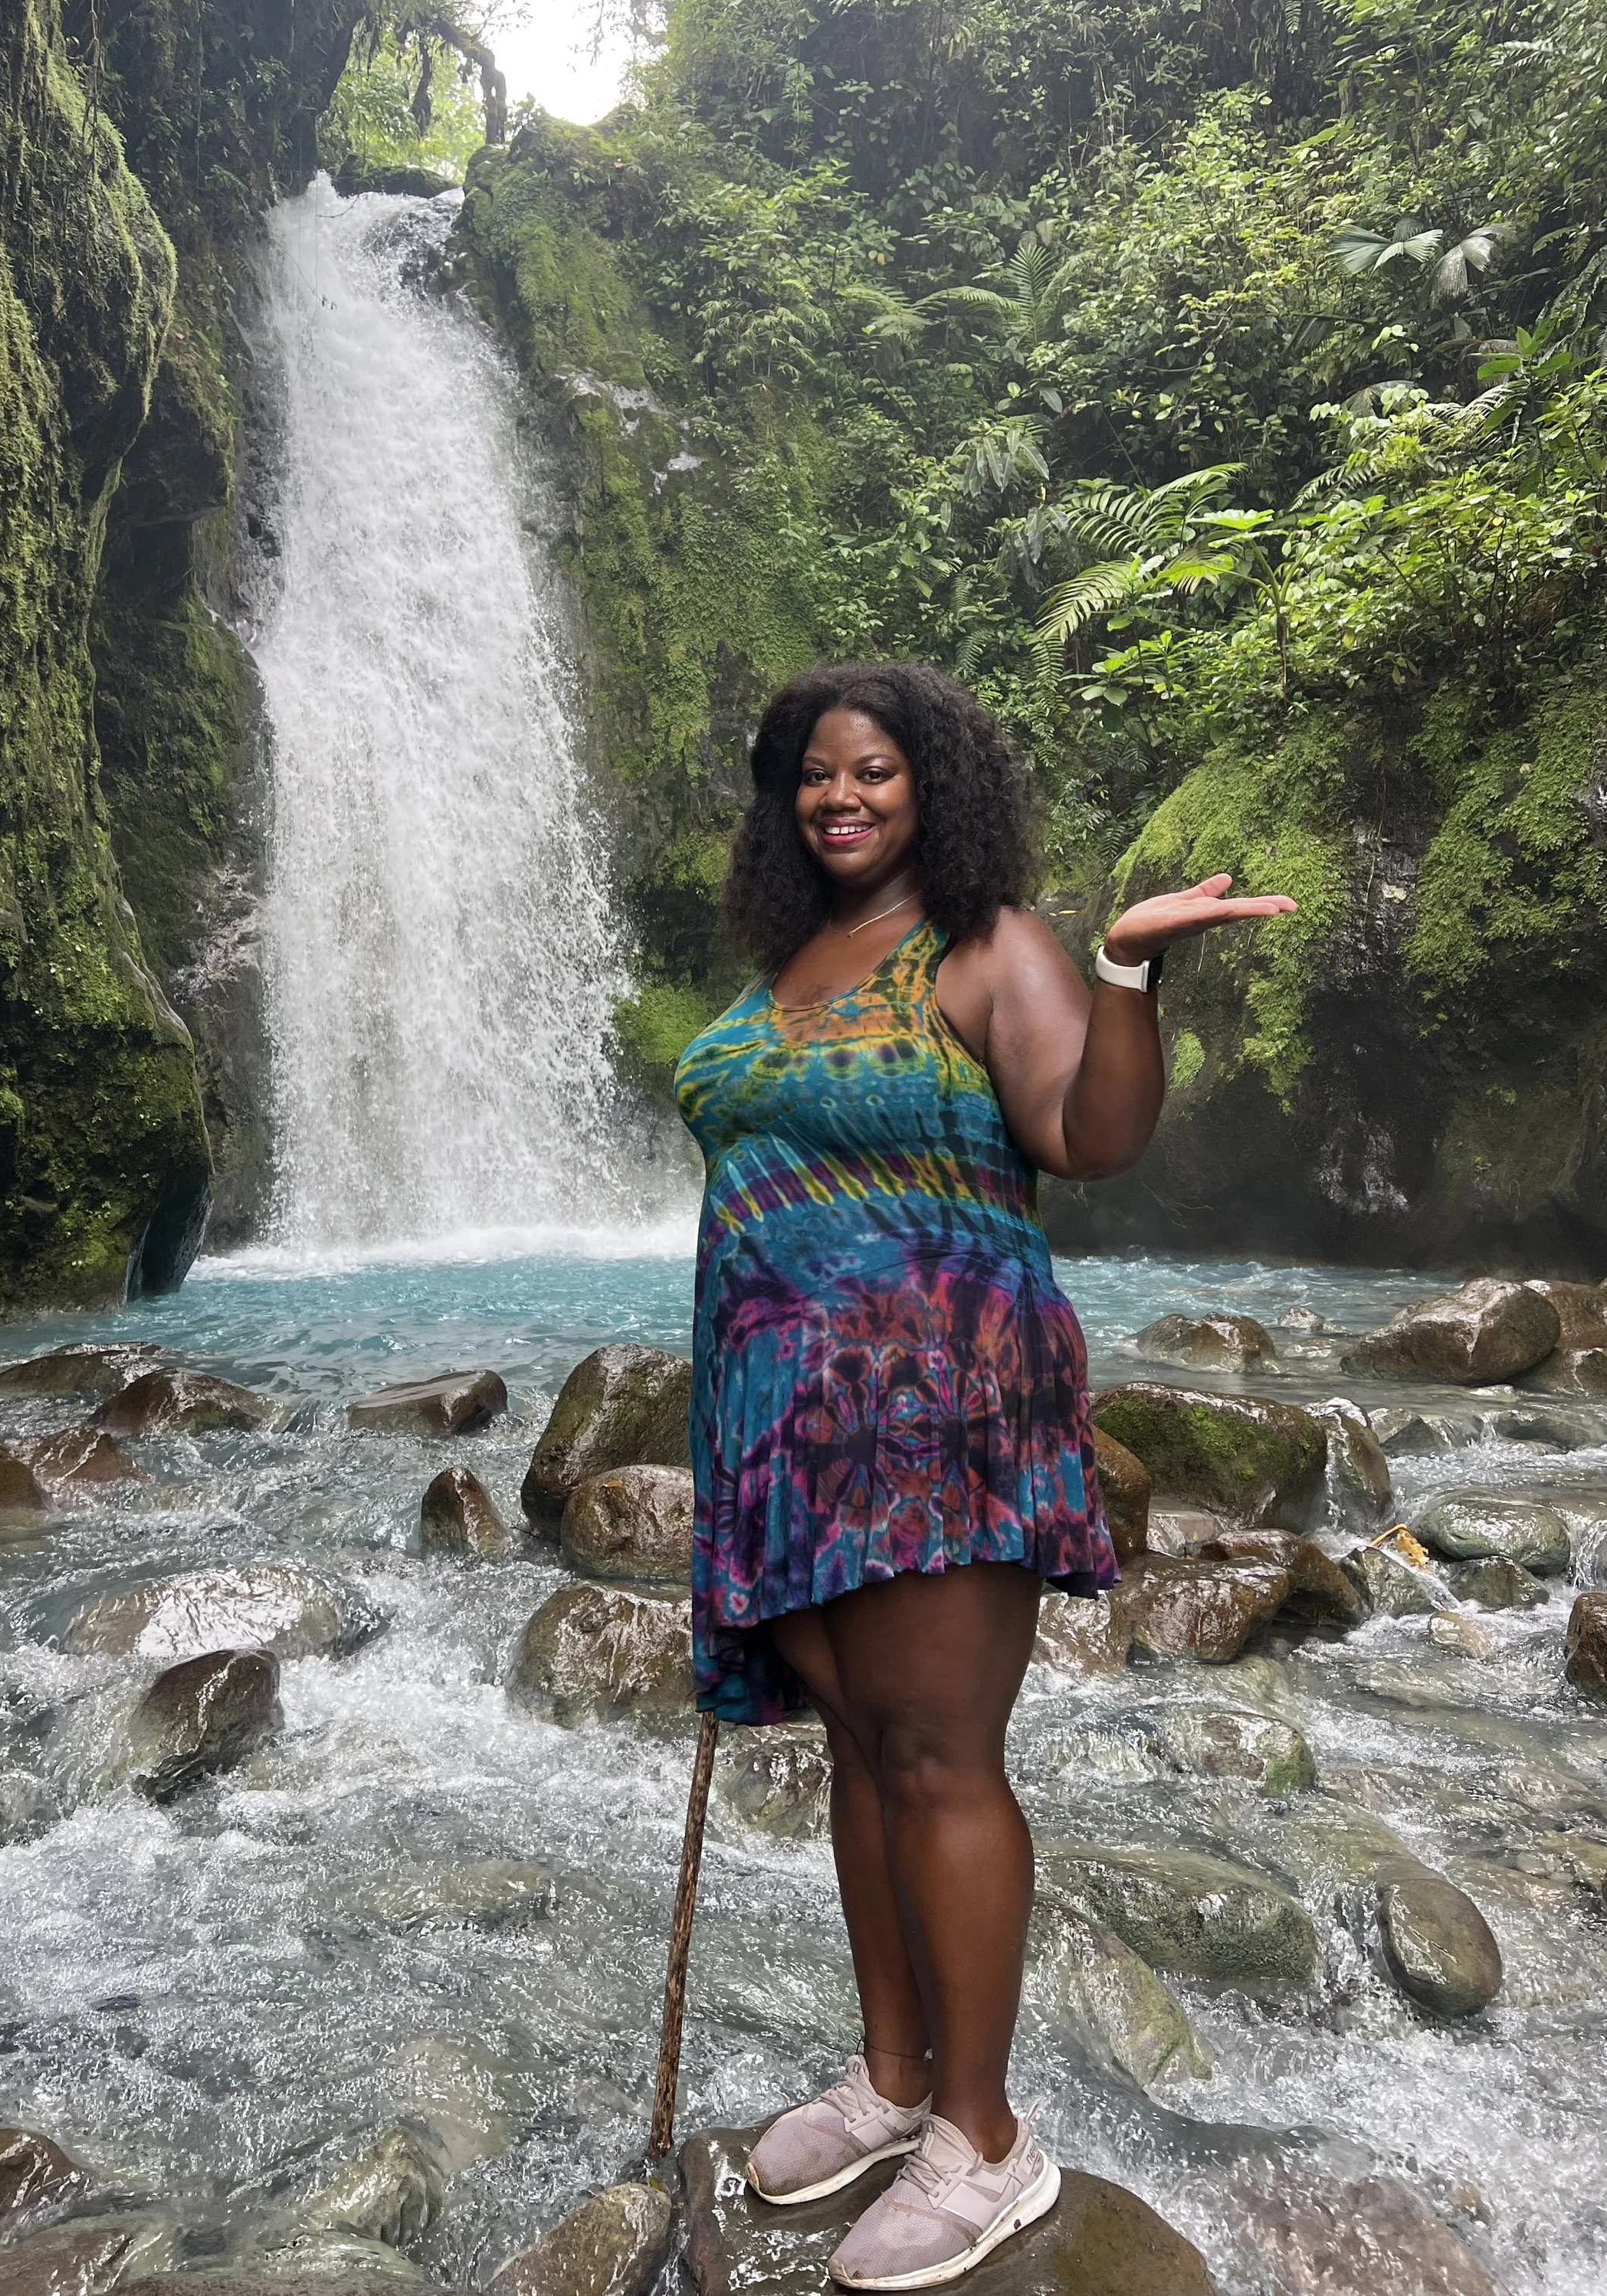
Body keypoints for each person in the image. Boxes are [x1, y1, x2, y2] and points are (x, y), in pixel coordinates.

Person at [673, 661, 1296, 2291]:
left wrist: (1123, 972)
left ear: (926, 782)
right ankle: (890, 2082)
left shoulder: (988, 943)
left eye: (870, 770)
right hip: (785, 1426)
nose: (839, 797)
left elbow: (1084, 1136)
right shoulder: (789, 957)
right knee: (863, 1754)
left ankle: (987, 2140)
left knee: (940, 1754)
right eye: (812, 776)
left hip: (940, 1406)